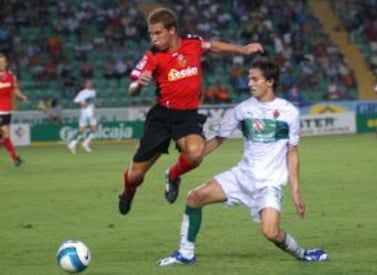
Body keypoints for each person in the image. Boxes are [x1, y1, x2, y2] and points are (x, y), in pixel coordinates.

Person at [157, 58, 328, 266]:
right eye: (249, 79)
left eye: (255, 79)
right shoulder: (242, 109)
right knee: (194, 198)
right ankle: (186, 254)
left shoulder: (288, 112)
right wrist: (192, 157)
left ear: (270, 82)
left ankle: (302, 254)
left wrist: (295, 190)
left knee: (271, 233)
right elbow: (218, 139)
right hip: (241, 177)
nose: (249, 83)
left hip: (269, 183)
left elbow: (292, 151)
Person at [118, 7, 264, 213]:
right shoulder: (152, 56)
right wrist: (139, 85)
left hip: (186, 115)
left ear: (172, 30)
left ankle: (173, 175)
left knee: (196, 154)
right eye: (150, 34)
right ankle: (127, 193)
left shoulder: (192, 43)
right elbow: (131, 90)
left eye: (158, 33)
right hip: (162, 116)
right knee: (135, 176)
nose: (153, 38)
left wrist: (243, 49)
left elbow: (213, 46)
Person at [0, 52, 28, 166]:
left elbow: (15, 89)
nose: (1, 63)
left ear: (6, 63)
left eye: (2, 61)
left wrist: (22, 96)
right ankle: (15, 158)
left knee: (6, 137)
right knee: (3, 134)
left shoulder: (11, 77)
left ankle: (15, 158)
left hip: (6, 109)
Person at [67, 78, 98, 154]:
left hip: (91, 113)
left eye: (91, 83)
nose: (90, 84)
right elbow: (76, 100)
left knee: (94, 129)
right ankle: (73, 143)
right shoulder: (82, 92)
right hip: (84, 113)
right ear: (85, 84)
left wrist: (97, 103)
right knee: (82, 130)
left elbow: (92, 102)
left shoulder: (94, 92)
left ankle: (85, 143)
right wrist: (82, 104)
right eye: (88, 83)